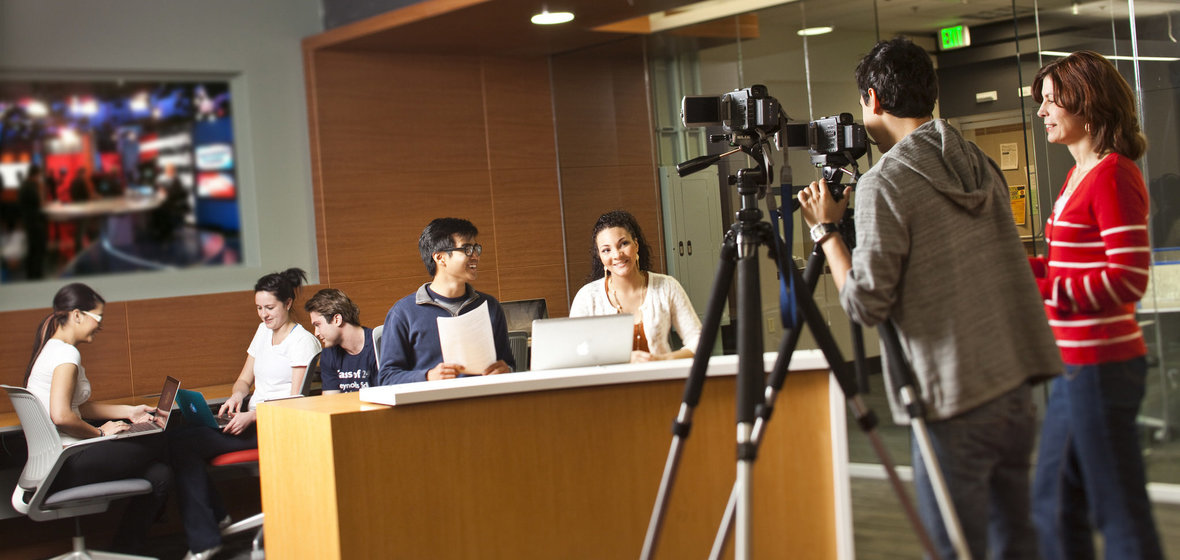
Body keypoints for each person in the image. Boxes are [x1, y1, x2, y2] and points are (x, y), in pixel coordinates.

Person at [797, 37, 1062, 559]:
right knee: (1016, 541)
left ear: (872, 98)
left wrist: (827, 233)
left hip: (952, 395)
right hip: (1013, 381)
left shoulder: (883, 182)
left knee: (955, 546)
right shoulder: (976, 159)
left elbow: (865, 303)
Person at [1028, 50, 1163, 560]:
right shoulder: (1075, 177)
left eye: (1050, 101)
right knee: (1054, 503)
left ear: (1086, 103)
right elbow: (1067, 269)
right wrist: (1022, 271)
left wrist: (1045, 288)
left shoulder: (1114, 174)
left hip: (1102, 366)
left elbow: (1128, 279)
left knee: (1118, 511)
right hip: (1073, 367)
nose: (1041, 111)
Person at [169, 268, 320, 559]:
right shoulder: (264, 331)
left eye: (270, 308)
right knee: (177, 437)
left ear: (288, 303)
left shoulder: (302, 342)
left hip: (277, 427)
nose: (263, 315)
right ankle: (213, 521)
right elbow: (243, 379)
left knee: (184, 444)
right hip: (251, 420)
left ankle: (207, 535)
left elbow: (295, 401)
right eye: (259, 308)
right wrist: (238, 395)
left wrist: (252, 416)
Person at [23, 283, 171, 553]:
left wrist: (129, 411)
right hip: (68, 460)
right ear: (77, 315)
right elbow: (62, 416)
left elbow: (80, 408)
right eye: (98, 318)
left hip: (59, 460)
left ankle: (126, 550)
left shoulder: (52, 349)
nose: (100, 326)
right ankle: (213, 522)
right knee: (167, 438)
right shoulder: (66, 354)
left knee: (160, 474)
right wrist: (101, 434)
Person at [376, 218, 513, 385]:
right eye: (467, 249)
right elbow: (387, 378)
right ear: (440, 258)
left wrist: (506, 370)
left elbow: (509, 364)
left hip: (483, 404)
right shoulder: (404, 312)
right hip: (431, 407)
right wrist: (427, 377)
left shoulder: (489, 306)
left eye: (476, 248)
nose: (475, 256)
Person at [569, 210, 701, 362]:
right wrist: (623, 359)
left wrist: (664, 359)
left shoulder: (667, 286)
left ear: (636, 245)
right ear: (600, 256)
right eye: (606, 250)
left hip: (661, 380)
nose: (617, 255)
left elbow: (698, 341)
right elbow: (576, 352)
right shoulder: (587, 297)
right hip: (609, 385)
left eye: (623, 244)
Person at [305, 288, 376, 393]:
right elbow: (331, 403)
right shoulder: (328, 354)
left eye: (318, 325)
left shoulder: (379, 344)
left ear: (337, 320)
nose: (316, 333)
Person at [17, 165, 48, 279]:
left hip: (29, 221)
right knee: (37, 249)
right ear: (36, 174)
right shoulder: (31, 187)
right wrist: (40, 188)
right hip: (34, 222)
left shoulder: (25, 185)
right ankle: (36, 275)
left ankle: (32, 274)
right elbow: (40, 203)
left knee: (32, 249)